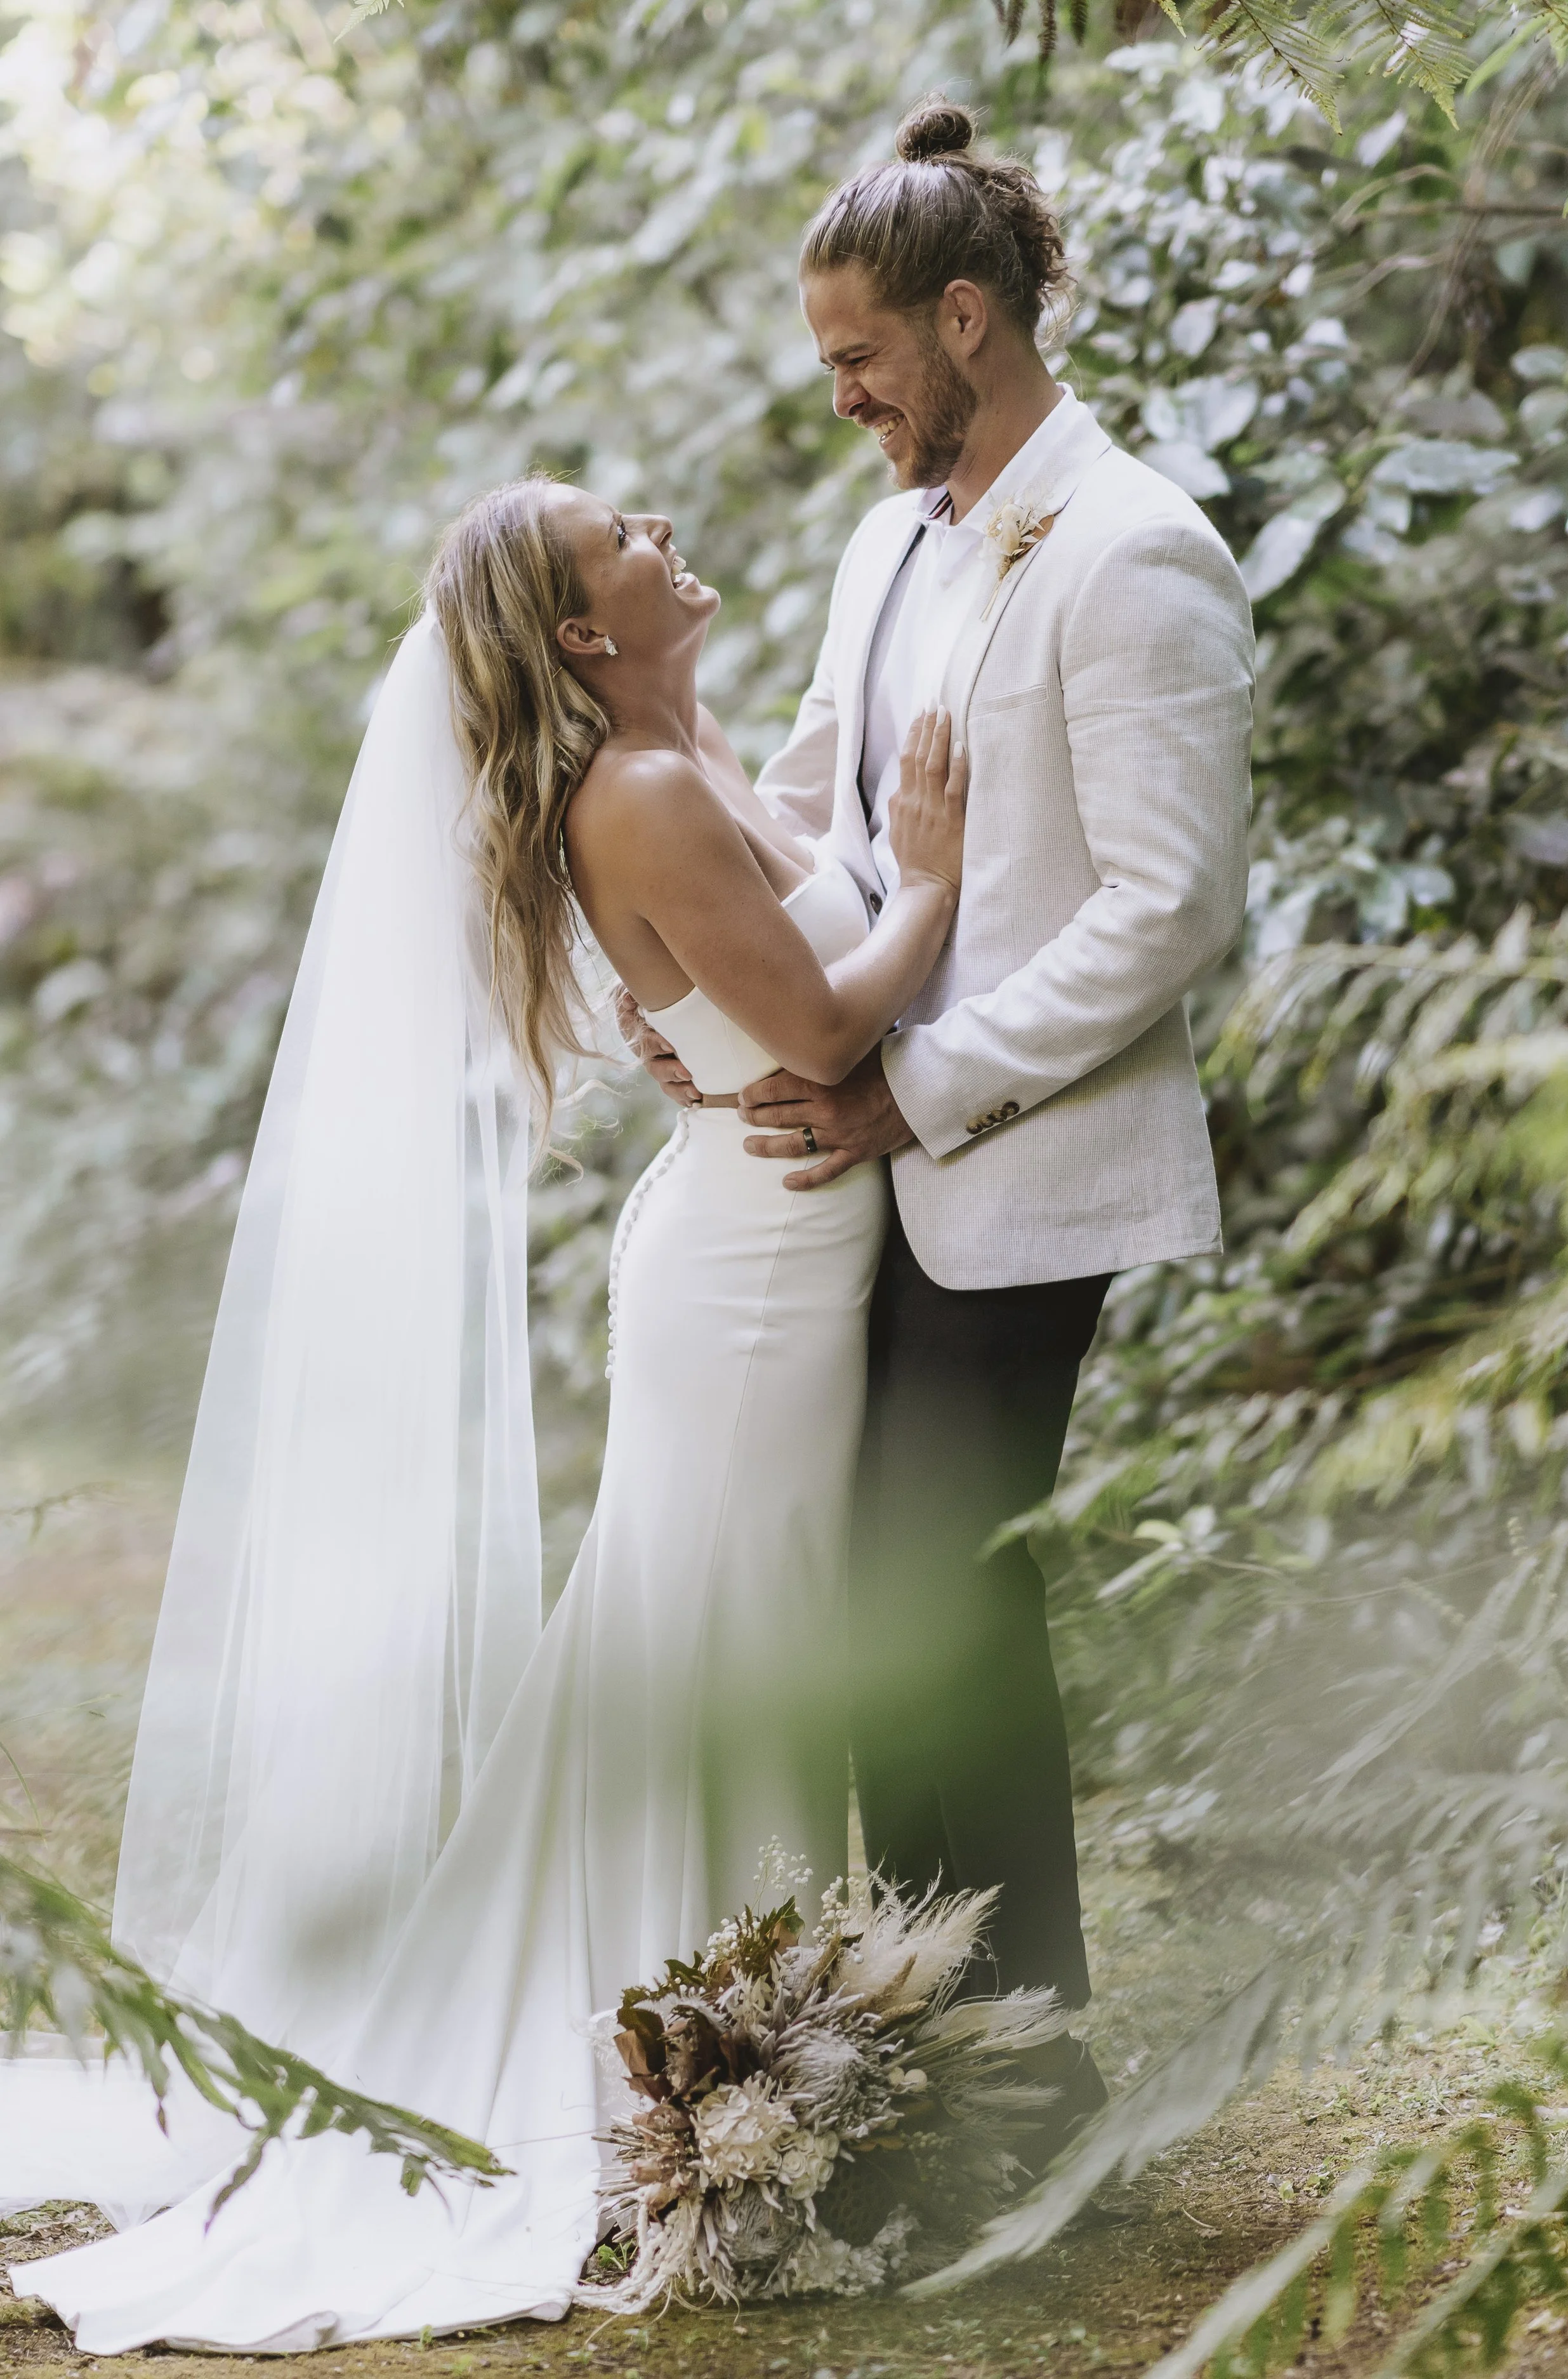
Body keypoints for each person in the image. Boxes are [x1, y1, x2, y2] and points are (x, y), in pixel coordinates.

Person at [1, 477, 967, 2350]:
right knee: (722, 1622)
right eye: (623, 529)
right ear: (584, 631)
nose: (668, 519)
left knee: (704, 1622)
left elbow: (757, 969)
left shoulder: (671, 758)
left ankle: (716, 2029)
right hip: (753, 1277)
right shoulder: (643, 795)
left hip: (761, 1245)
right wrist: (921, 875)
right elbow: (834, 1030)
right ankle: (700, 2051)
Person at [630, 97, 1255, 2140]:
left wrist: (911, 1088)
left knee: (938, 1589)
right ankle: (911, 2034)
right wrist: (720, 1003)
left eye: (858, 359)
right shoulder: (887, 531)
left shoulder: (1137, 548)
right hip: (851, 1154)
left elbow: (1163, 905)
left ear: (965, 319)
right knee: (873, 1596)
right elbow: (805, 795)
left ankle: (1014, 2059)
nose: (839, 400)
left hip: (1023, 1167)